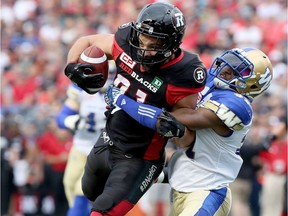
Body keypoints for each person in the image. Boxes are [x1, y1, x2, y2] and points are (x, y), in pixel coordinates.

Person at [63, 2, 207, 215]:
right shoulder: (125, 41)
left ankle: (154, 175)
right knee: (90, 193)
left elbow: (186, 115)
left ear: (172, 44)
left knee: (103, 211)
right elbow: (88, 41)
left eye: (155, 43)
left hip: (140, 157)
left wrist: (171, 122)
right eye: (143, 38)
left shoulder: (184, 72)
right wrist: (72, 67)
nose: (145, 49)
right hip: (106, 141)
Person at [104, 47, 274, 215]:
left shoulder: (238, 105)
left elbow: (170, 120)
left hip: (207, 191)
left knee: (169, 124)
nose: (227, 69)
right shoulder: (211, 82)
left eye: (241, 70)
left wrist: (123, 101)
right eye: (231, 63)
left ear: (254, 84)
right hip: (182, 184)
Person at [56, 83, 108, 216]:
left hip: (101, 149)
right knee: (69, 183)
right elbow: (61, 118)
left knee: (82, 188)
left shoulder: (121, 91)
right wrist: (71, 121)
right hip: (80, 146)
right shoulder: (82, 89)